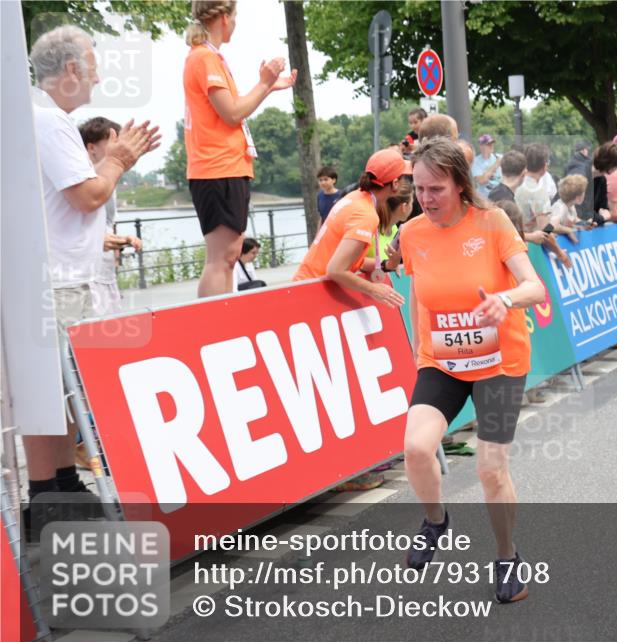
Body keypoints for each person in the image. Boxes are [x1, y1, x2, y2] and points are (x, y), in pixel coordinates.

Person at [400, 138, 545, 603]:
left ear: (460, 185)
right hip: (442, 361)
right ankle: (436, 521)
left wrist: (504, 300)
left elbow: (534, 287)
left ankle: (507, 557)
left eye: (436, 188)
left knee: (489, 469)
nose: (426, 198)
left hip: (499, 362)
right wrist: (420, 350)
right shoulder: (412, 234)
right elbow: (420, 291)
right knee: (416, 450)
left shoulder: (492, 221)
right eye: (418, 188)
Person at [27, 24, 159, 522]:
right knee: (56, 385)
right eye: (94, 67)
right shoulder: (51, 123)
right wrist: (119, 159)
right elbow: (87, 195)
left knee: (59, 387)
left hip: (57, 273)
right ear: (72, 70)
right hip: (61, 277)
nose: (100, 78)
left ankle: (61, 482)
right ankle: (48, 495)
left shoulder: (36, 118)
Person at [183, 0, 296, 298]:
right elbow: (232, 113)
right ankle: (212, 327)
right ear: (223, 18)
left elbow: (232, 110)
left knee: (228, 256)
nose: (235, 23)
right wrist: (264, 83)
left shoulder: (209, 58)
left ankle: (219, 322)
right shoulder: (204, 58)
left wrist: (267, 87)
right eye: (235, 16)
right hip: (217, 168)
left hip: (224, 167)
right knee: (221, 259)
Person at [292, 148, 408, 312]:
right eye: (403, 178)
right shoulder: (366, 214)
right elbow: (336, 270)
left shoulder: (356, 197)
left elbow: (350, 261)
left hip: (305, 286)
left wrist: (385, 264)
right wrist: (375, 290)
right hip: (313, 293)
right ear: (395, 184)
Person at [78, 116, 143, 317]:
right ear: (91, 148)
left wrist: (121, 241)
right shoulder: (80, 180)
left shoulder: (109, 178)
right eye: (112, 143)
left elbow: (105, 222)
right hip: (86, 273)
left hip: (105, 270)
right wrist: (98, 240)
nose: (119, 148)